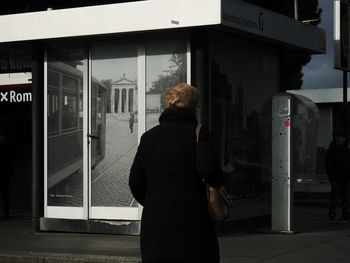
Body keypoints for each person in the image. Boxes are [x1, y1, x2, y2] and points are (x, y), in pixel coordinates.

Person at [129, 83, 223, 262]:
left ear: (168, 105)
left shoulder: (148, 137)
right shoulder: (198, 133)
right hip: (192, 220)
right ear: (195, 106)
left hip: (155, 223)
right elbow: (209, 170)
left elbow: (135, 182)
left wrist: (155, 202)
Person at [325, 129, 350, 223]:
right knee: (335, 198)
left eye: (343, 137)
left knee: (345, 198)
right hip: (336, 178)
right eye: (341, 137)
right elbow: (329, 166)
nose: (343, 139)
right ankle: (332, 215)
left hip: (345, 177)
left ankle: (345, 215)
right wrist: (332, 179)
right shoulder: (332, 150)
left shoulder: (346, 149)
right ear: (336, 138)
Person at [0, 127, 14, 220]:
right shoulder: (9, 146)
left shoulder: (7, 147)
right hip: (6, 170)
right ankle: (6, 212)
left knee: (5, 191)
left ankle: (6, 212)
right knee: (5, 191)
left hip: (5, 169)